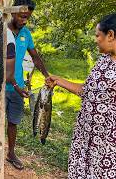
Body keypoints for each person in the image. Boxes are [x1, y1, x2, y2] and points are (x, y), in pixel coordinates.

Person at [46, 14, 116, 178]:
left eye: (98, 35)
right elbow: (87, 91)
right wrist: (59, 80)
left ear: (111, 35)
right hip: (85, 136)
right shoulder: (103, 60)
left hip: (108, 144)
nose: (95, 39)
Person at [6, 0, 50, 170]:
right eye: (22, 16)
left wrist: (47, 75)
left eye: (27, 18)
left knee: (13, 121)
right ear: (12, 11)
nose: (24, 20)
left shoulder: (26, 34)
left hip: (17, 88)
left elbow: (35, 57)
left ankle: (11, 153)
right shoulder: (1, 30)